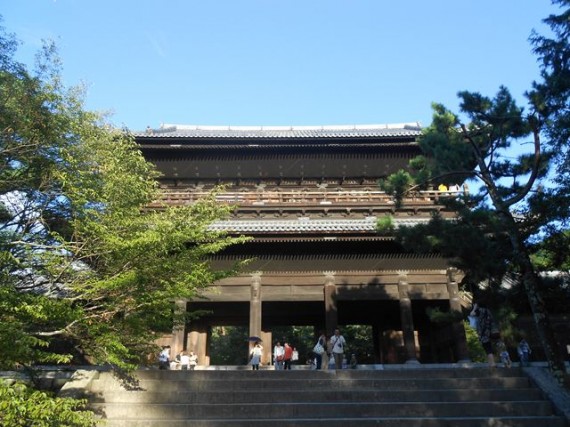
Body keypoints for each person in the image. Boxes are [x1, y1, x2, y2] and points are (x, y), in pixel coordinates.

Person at [470, 301, 496, 368]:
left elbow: (472, 314)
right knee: (489, 347)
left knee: (487, 348)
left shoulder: (479, 310)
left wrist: (474, 307)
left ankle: (492, 363)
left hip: (483, 332)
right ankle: (491, 363)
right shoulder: (487, 310)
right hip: (490, 331)